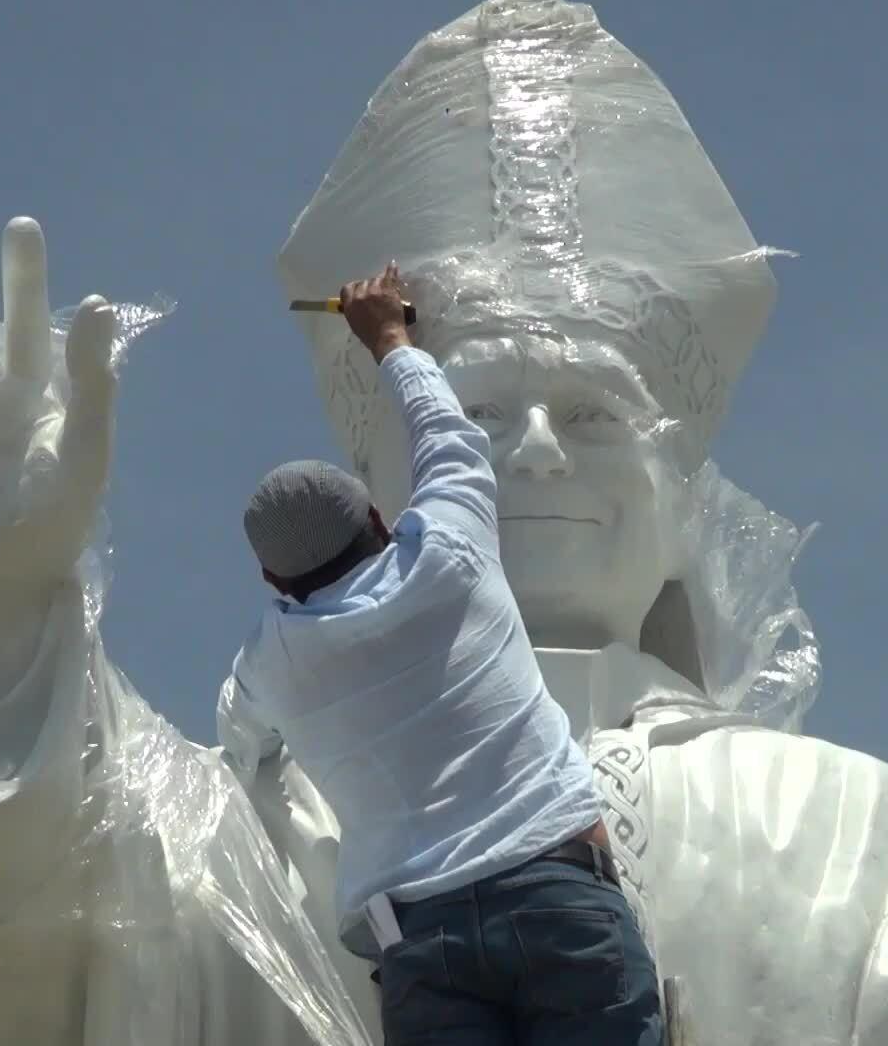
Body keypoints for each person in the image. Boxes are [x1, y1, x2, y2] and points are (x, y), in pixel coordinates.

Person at [230, 263, 664, 1046]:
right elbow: (444, 433)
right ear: (376, 511)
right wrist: (390, 335)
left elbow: (241, 737)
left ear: (270, 578)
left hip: (422, 944)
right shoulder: (452, 555)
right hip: (557, 896)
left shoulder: (271, 662)